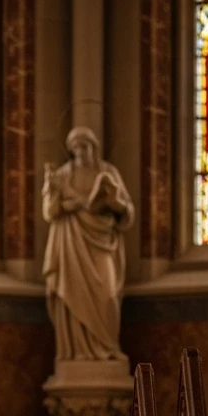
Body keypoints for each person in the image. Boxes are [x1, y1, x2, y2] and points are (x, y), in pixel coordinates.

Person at [41, 126, 135, 362]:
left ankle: (108, 348)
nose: (81, 151)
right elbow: (49, 212)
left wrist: (116, 204)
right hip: (71, 244)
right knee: (72, 295)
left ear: (94, 147)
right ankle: (76, 353)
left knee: (108, 295)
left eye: (85, 146)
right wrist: (56, 195)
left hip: (102, 242)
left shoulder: (108, 172)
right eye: (75, 147)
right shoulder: (62, 175)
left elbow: (128, 212)